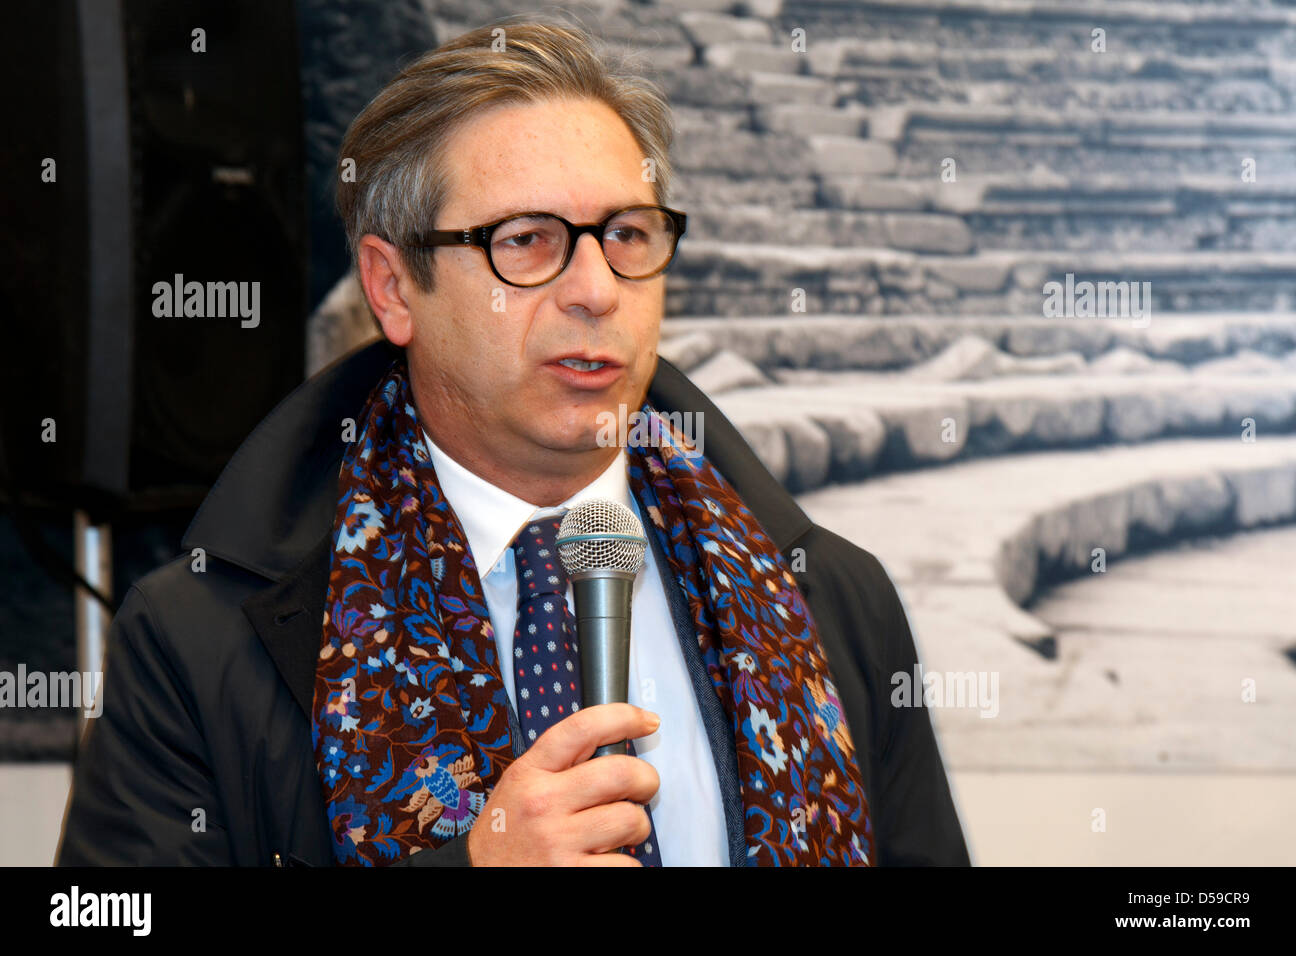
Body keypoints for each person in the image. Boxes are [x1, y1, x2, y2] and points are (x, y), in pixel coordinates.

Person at [56, 16, 969, 867]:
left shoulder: (831, 600)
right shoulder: (199, 640)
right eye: (527, 242)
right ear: (392, 289)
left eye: (626, 234)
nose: (596, 290)